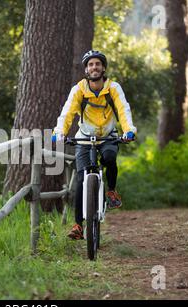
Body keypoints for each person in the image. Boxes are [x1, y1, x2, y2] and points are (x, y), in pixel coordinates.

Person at [53, 50, 137, 240]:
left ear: (103, 68)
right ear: (86, 69)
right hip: (84, 137)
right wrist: (59, 133)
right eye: (90, 65)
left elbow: (123, 110)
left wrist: (129, 130)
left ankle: (111, 191)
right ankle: (78, 225)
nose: (94, 67)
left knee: (109, 158)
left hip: (108, 136)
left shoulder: (113, 88)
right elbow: (67, 113)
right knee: (82, 179)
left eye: (98, 64)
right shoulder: (79, 90)